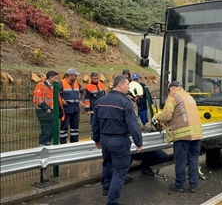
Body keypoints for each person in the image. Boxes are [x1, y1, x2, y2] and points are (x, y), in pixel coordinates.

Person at [91, 75, 143, 205]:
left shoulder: (100, 101)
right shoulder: (125, 102)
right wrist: (139, 142)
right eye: (127, 84)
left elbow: (95, 123)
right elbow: (133, 125)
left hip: (105, 140)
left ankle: (106, 187)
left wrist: (96, 139)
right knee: (119, 173)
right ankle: (112, 201)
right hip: (120, 141)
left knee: (107, 164)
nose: (129, 87)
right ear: (120, 85)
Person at [153, 81, 203, 193]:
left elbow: (166, 115)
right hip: (196, 134)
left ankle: (179, 185)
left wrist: (157, 116)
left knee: (180, 161)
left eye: (168, 90)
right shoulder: (189, 96)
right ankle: (193, 185)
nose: (168, 93)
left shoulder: (173, 96)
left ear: (172, 88)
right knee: (193, 160)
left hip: (182, 135)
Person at [33, 71, 64, 146]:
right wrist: (46, 108)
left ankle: (47, 144)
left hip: (51, 110)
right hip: (43, 111)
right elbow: (37, 98)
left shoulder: (53, 86)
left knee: (52, 129)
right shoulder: (41, 85)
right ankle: (42, 146)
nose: (57, 80)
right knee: (46, 129)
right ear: (51, 77)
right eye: (55, 78)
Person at [59, 68, 85, 144]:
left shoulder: (77, 83)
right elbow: (54, 93)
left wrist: (81, 100)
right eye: (75, 76)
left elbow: (83, 91)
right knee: (64, 128)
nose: (76, 77)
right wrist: (61, 100)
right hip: (66, 110)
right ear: (70, 75)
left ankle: (74, 143)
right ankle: (63, 144)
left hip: (75, 109)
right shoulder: (61, 83)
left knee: (75, 128)